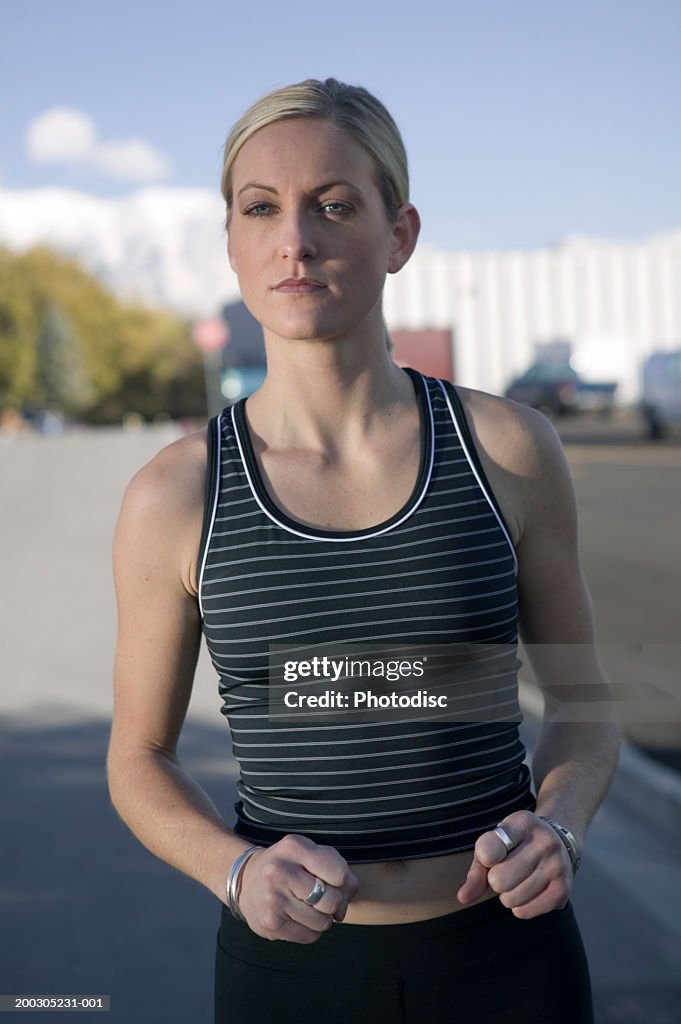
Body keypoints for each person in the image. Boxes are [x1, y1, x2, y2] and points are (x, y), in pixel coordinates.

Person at [107, 78, 620, 1024]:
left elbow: (582, 705)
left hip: (509, 965)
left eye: (334, 205)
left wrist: (561, 825)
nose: (294, 240)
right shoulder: (177, 493)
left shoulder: (505, 449)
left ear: (399, 235)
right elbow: (139, 756)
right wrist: (233, 870)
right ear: (231, 243)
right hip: (289, 980)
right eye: (260, 208)